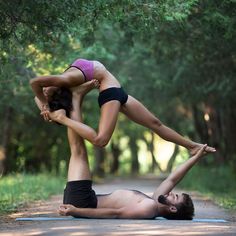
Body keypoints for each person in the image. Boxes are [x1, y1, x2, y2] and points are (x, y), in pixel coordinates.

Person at [58, 85, 209, 220]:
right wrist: (196, 156)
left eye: (175, 197)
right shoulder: (155, 202)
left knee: (78, 151)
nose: (171, 193)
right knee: (78, 151)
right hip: (87, 198)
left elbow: (114, 213)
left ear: (172, 208)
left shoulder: (149, 209)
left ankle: (73, 103)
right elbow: (172, 179)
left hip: (83, 203)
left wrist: (76, 211)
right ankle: (76, 98)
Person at [30, 58, 216, 155]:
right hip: (110, 92)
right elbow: (36, 90)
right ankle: (64, 120)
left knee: (155, 123)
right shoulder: (65, 83)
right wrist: (47, 107)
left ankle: (192, 146)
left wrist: (45, 105)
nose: (44, 89)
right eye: (46, 91)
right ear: (58, 94)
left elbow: (34, 83)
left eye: (45, 89)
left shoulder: (65, 79)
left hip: (116, 90)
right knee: (100, 140)